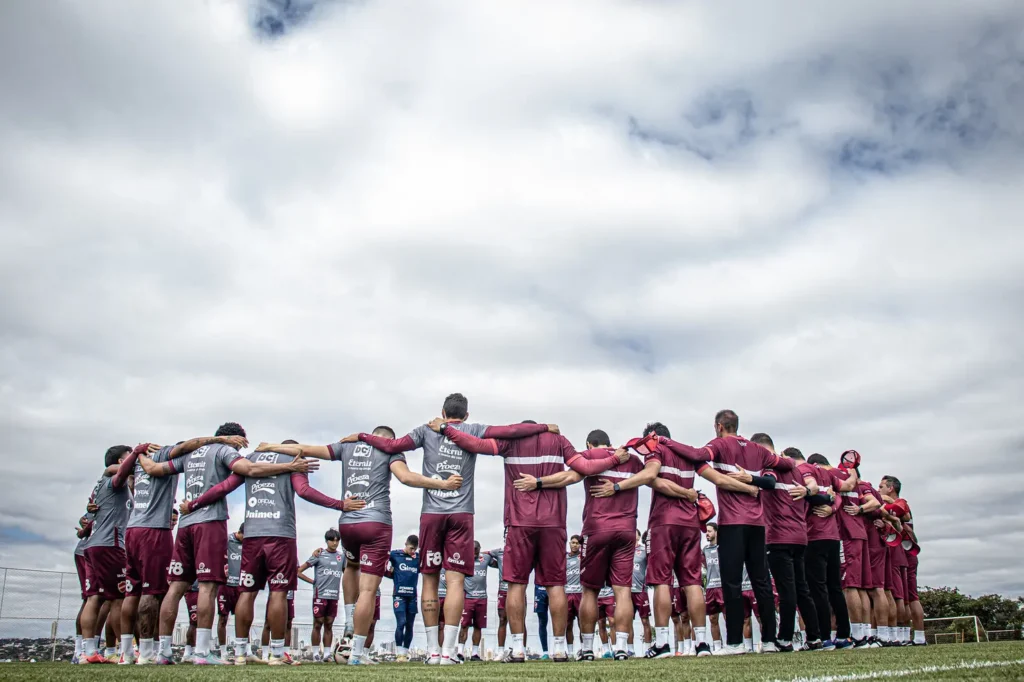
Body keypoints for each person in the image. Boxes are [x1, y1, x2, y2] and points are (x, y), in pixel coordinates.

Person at [355, 393, 550, 664]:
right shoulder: (472, 429)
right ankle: (448, 651)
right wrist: (543, 427)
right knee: (456, 582)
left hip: (431, 515)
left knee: (431, 580)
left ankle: (433, 651)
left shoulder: (425, 430)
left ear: (442, 412)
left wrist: (363, 436)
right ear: (466, 415)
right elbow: (512, 430)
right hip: (461, 515)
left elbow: (392, 445)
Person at [256, 426, 463, 666]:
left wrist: (271, 446)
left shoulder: (347, 447)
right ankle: (356, 653)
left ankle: (349, 623)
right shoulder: (389, 452)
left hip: (348, 522)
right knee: (368, 591)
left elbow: (304, 448)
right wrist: (441, 485)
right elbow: (405, 477)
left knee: (352, 568)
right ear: (389, 441)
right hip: (376, 522)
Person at [433, 417, 625, 663]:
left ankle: (518, 649)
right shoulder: (559, 440)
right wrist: (614, 460)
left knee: (516, 584)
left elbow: (473, 444)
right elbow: (585, 469)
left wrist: (444, 428)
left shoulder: (511, 442)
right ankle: (559, 649)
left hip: (518, 523)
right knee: (556, 586)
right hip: (554, 524)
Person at [145, 424, 314, 665]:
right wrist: (291, 466)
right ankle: (203, 653)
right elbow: (248, 469)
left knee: (175, 587)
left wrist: (138, 452)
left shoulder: (191, 454)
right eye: (240, 444)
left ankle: (163, 652)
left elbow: (154, 468)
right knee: (207, 587)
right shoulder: (224, 451)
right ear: (233, 439)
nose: (240, 448)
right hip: (211, 522)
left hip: (185, 524)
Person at [179, 438, 357, 666]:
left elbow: (224, 487)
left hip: (252, 535)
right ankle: (276, 653)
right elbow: (303, 491)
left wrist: (193, 504)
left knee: (247, 592)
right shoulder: (295, 458)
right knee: (278, 592)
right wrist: (340, 504)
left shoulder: (251, 458)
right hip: (280, 534)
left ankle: (241, 652)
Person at [594, 423, 740, 658]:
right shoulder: (689, 453)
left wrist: (617, 487)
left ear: (651, 439)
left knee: (661, 581)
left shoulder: (656, 450)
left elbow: (653, 477)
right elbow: (717, 479)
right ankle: (702, 644)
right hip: (691, 523)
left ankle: (662, 644)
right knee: (692, 582)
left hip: (664, 522)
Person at [691, 410, 799, 656]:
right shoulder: (758, 450)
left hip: (732, 523)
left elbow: (697, 456)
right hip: (758, 524)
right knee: (761, 581)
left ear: (719, 426)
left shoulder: (719, 444)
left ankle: (735, 643)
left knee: (732, 582)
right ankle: (770, 641)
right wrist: (783, 462)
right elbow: (787, 464)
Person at [121, 437, 224, 665]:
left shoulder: (140, 464)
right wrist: (218, 440)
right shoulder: (165, 455)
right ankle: (149, 654)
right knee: (153, 592)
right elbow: (184, 449)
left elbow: (127, 477)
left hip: (132, 528)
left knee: (133, 592)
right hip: (153, 530)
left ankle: (127, 653)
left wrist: (137, 454)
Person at [744, 435, 832, 652]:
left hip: (779, 537)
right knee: (802, 588)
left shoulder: (770, 466)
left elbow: (769, 482)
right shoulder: (796, 472)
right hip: (800, 537)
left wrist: (748, 477)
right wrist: (825, 497)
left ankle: (784, 638)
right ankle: (814, 636)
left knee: (787, 590)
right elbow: (817, 497)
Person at [79, 445, 133, 665]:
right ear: (121, 461)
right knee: (119, 597)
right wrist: (136, 455)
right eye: (129, 457)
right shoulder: (114, 479)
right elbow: (114, 470)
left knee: (95, 597)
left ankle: (89, 652)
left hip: (93, 546)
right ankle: (126, 651)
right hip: (109, 545)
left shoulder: (106, 486)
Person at [803, 453, 853, 650]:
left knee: (818, 588)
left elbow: (809, 494)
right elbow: (845, 489)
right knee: (834, 587)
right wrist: (853, 469)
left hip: (814, 536)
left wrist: (827, 503)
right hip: (833, 537)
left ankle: (824, 636)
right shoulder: (829, 476)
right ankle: (843, 636)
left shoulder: (804, 472)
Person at [298, 529, 345, 662]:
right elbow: (299, 571)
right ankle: (315, 654)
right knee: (318, 623)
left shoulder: (341, 557)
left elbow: (348, 572)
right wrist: (313, 582)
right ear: (327, 541)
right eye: (332, 540)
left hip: (334, 595)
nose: (335, 543)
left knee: (329, 624)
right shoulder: (319, 555)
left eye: (337, 540)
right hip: (320, 595)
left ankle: (327, 654)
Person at [879, 475, 911, 646]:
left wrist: (881, 501)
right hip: (899, 553)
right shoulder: (895, 505)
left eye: (881, 486)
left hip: (895, 552)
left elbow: (902, 516)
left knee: (895, 594)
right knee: (899, 595)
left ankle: (897, 634)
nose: (878, 490)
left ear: (890, 488)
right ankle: (901, 634)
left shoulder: (900, 503)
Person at [459, 542, 498, 661]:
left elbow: (498, 564)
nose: (474, 551)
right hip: (467, 598)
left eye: (476, 549)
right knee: (464, 625)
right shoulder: (464, 559)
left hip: (482, 598)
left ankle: (474, 654)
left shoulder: (485, 558)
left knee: (478, 626)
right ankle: (460, 652)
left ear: (480, 549)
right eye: (472, 549)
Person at [387, 535, 420, 660]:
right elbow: (382, 561)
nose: (413, 551)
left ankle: (405, 653)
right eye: (411, 548)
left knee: (410, 625)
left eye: (415, 549)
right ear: (405, 544)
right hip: (399, 595)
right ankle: (399, 651)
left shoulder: (417, 558)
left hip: (412, 596)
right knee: (401, 622)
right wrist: (390, 573)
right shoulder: (395, 555)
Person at [218, 524, 245, 661]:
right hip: (225, 585)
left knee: (243, 619)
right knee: (223, 619)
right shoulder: (226, 540)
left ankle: (242, 651)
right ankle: (223, 652)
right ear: (240, 532)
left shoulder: (250, 544)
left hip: (240, 587)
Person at [629, 530, 651, 657]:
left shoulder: (644, 551)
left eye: (634, 533)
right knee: (627, 621)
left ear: (638, 536)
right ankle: (630, 650)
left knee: (645, 620)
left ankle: (648, 648)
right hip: (627, 592)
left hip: (641, 590)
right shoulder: (624, 550)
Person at [703, 524, 724, 651]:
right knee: (712, 618)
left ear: (716, 532)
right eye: (706, 531)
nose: (707, 534)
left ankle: (731, 644)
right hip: (710, 587)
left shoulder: (723, 547)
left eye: (709, 531)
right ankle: (717, 647)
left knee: (728, 616)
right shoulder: (704, 550)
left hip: (722, 586)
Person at [564, 536, 583, 656]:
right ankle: (570, 652)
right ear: (570, 543)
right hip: (566, 594)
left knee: (583, 623)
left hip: (580, 594)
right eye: (573, 543)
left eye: (577, 543)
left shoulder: (583, 557)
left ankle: (584, 649)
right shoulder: (564, 558)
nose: (575, 545)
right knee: (568, 624)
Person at [534, 585, 550, 659]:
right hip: (539, 588)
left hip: (554, 586)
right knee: (542, 621)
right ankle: (545, 652)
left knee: (558, 619)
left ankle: (559, 650)